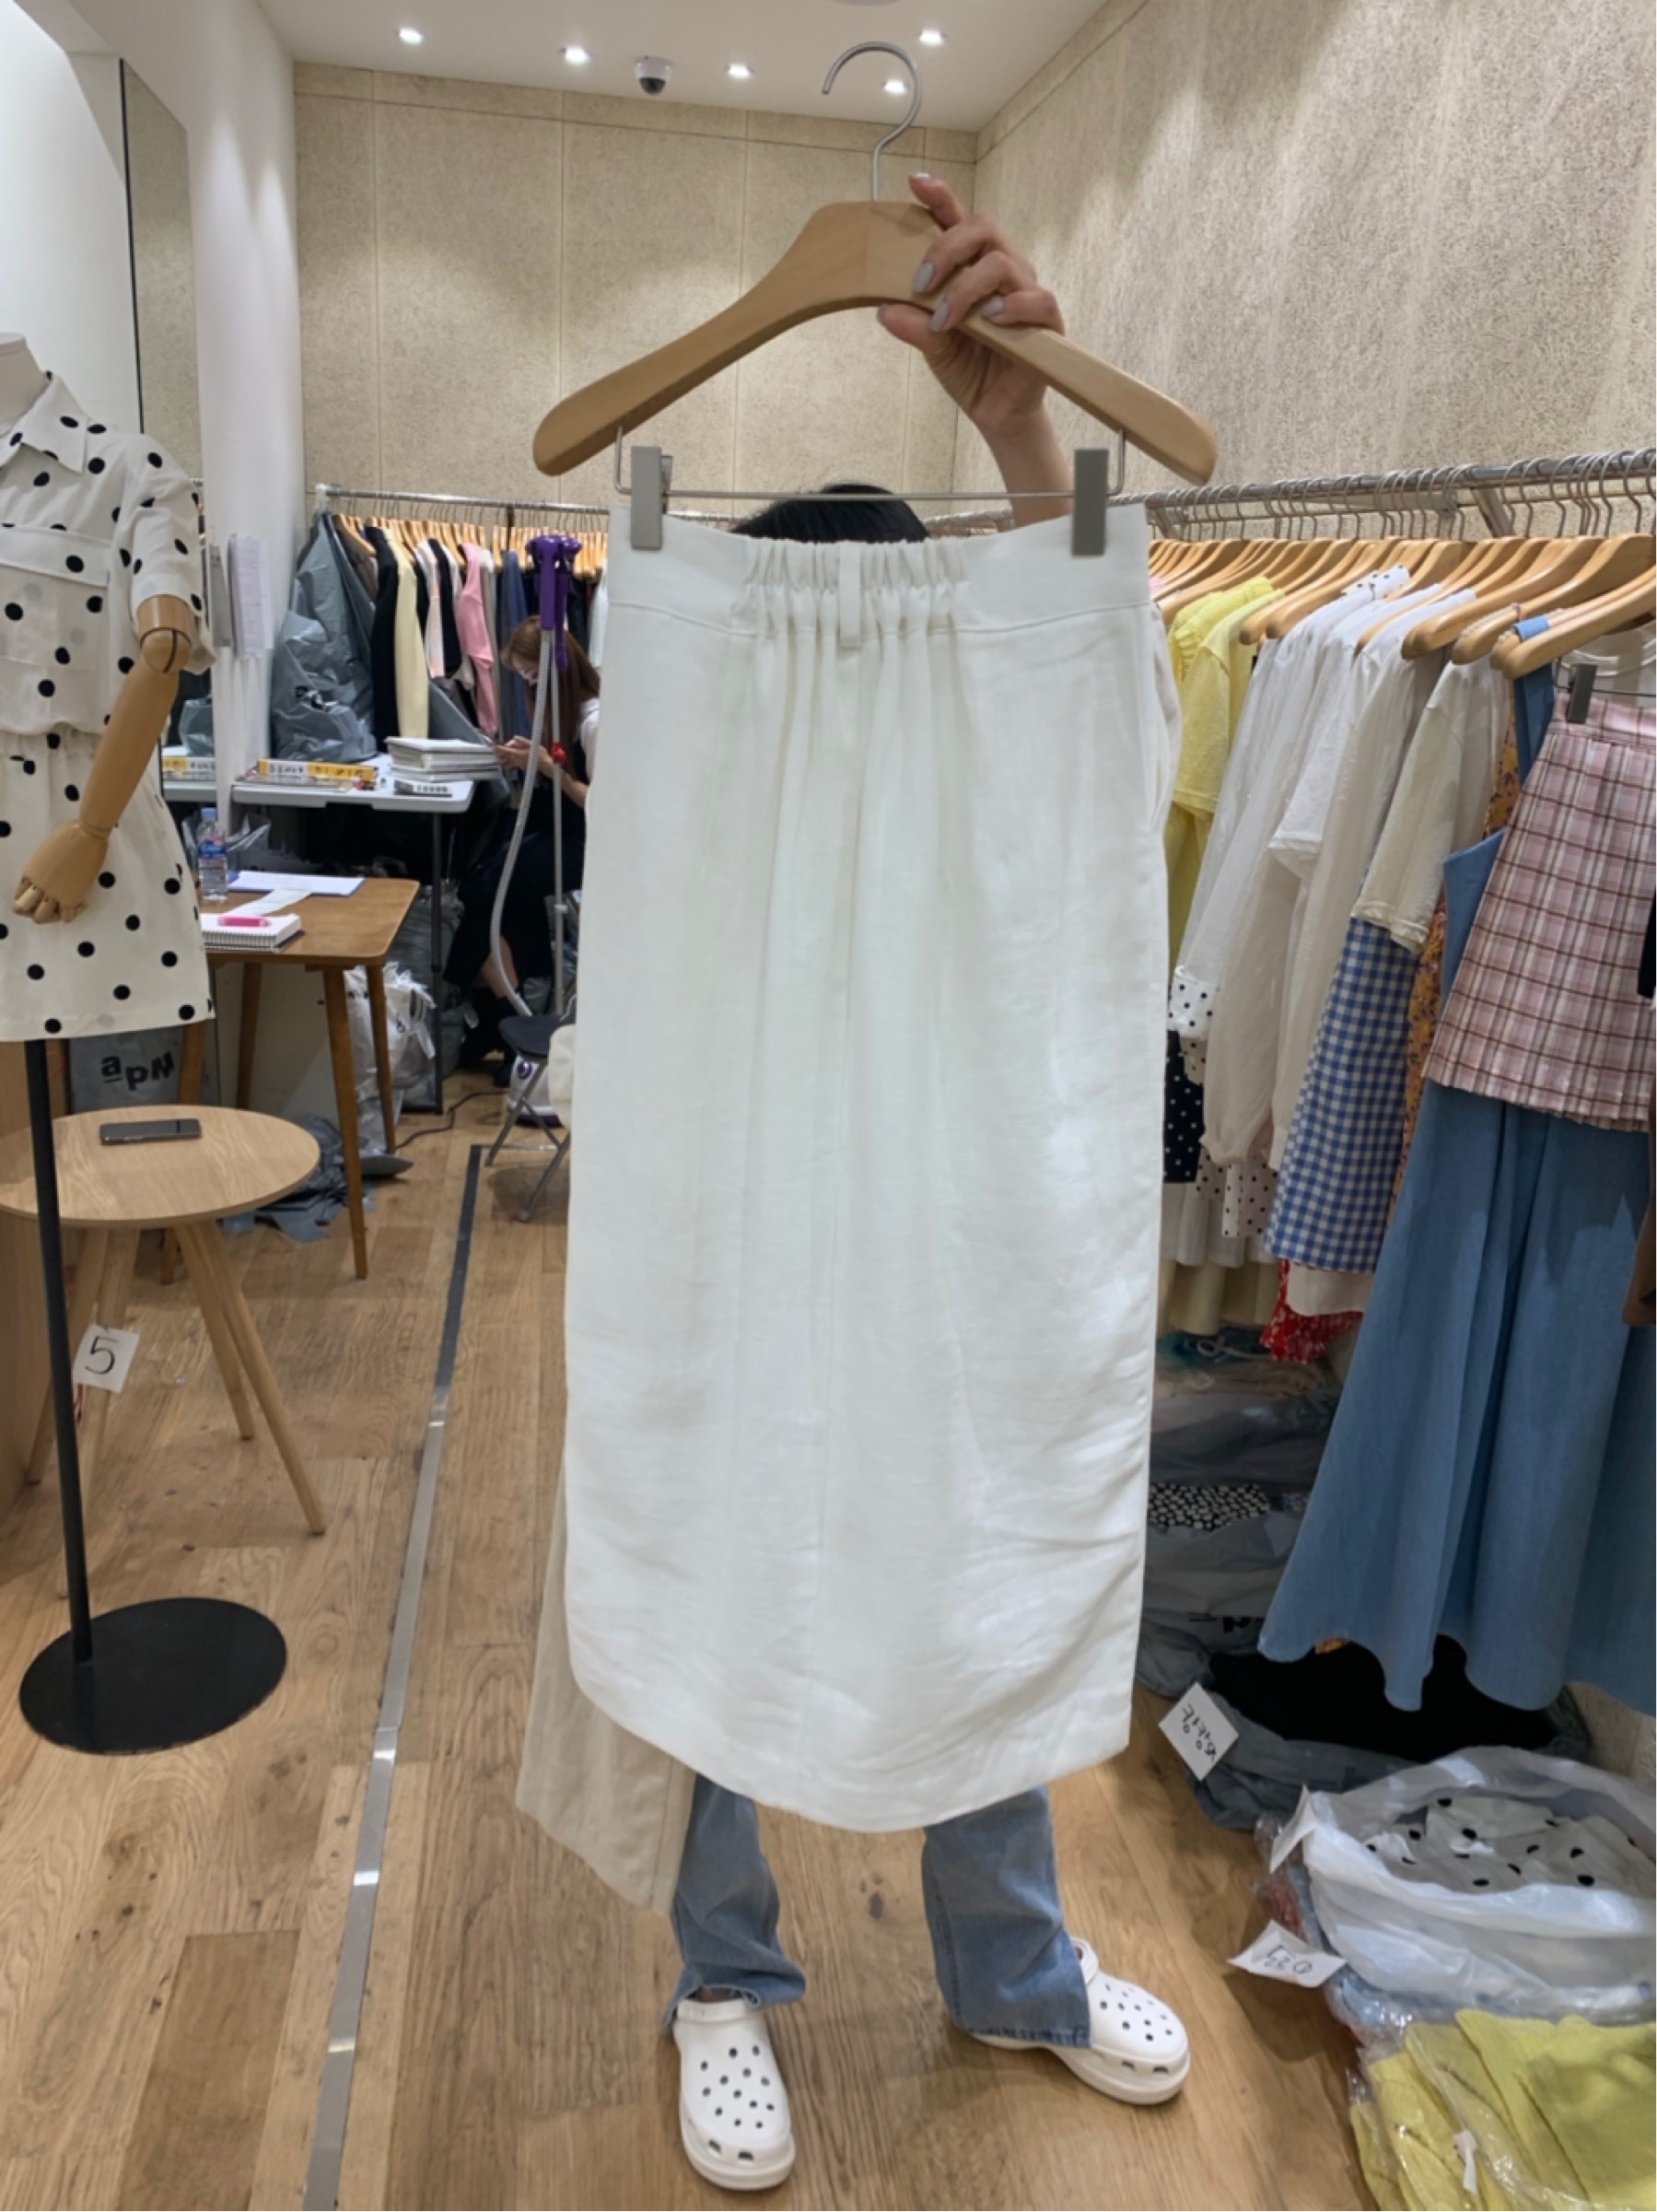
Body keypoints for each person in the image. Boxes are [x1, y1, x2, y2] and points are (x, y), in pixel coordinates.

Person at [634, 175, 1191, 2193]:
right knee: (721, 1559)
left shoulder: (997, 765)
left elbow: (1095, 705)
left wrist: (1019, 424)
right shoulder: (714, 757)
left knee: (978, 1562)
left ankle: (1012, 1971)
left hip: (957, 1220)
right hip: (747, 1212)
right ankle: (719, 1978)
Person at [445, 623, 598, 1069]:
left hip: (582, 842)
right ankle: (509, 1015)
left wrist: (549, 770)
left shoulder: (594, 721)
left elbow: (600, 803)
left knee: (490, 892)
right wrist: (529, 757)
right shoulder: (563, 714)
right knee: (481, 882)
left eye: (533, 677)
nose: (529, 687)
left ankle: (505, 1018)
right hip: (552, 828)